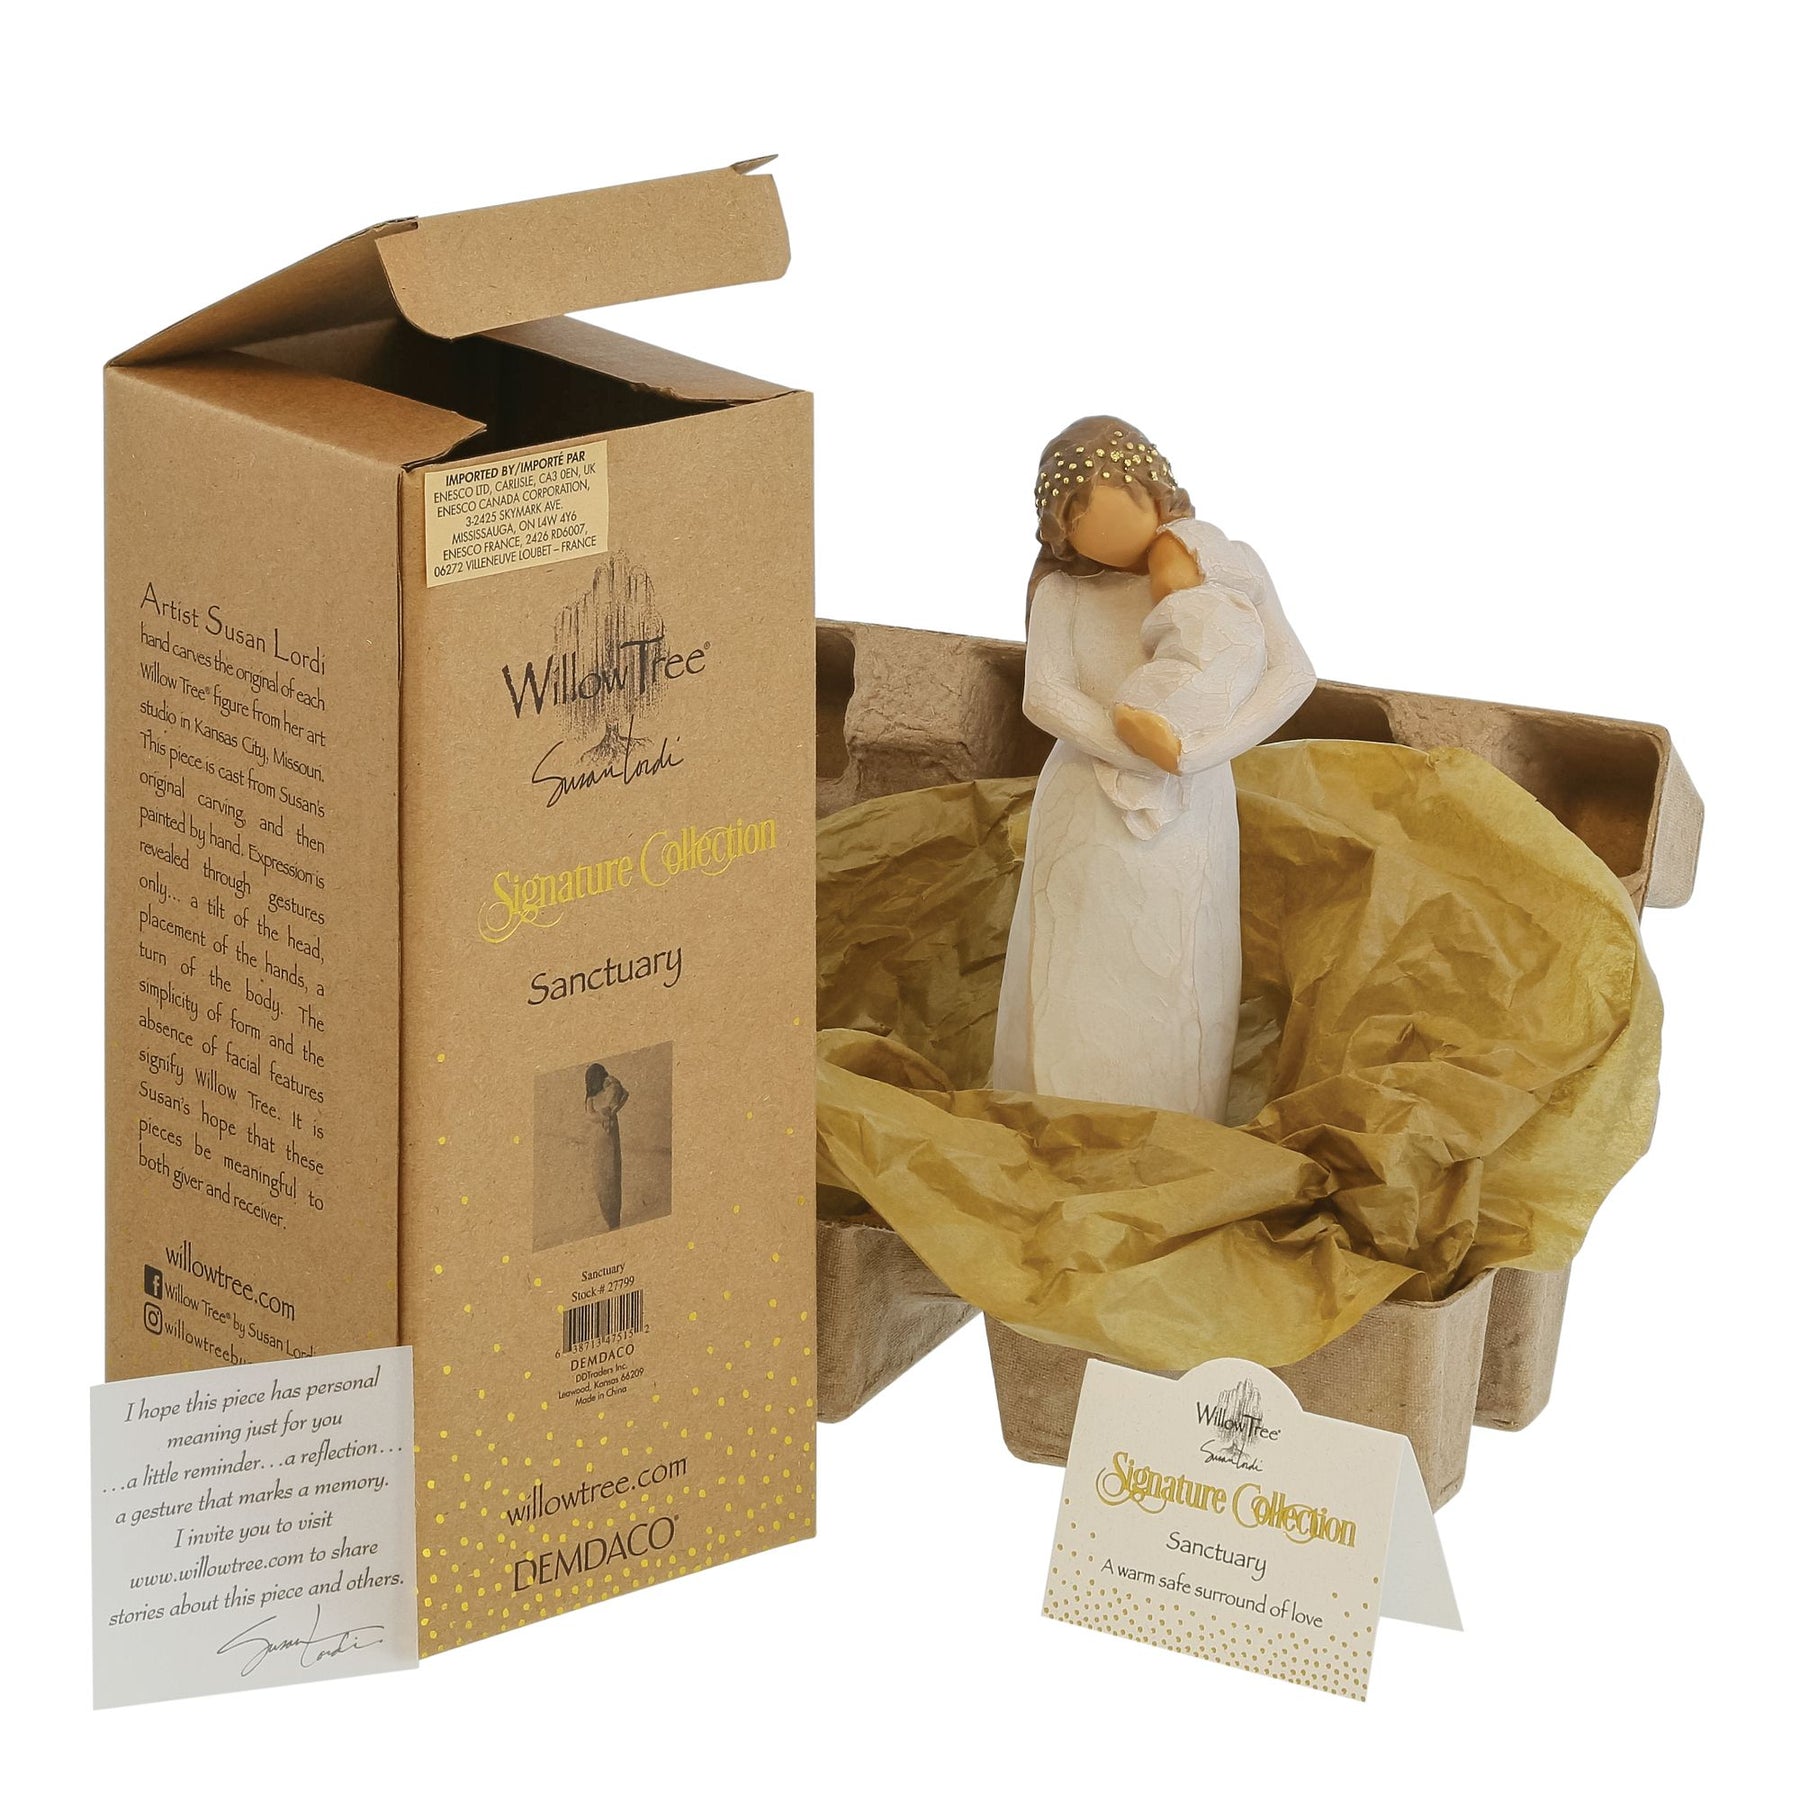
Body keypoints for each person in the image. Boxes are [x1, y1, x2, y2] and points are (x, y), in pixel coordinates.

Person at [989, 417, 1316, 1120]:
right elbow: (1044, 696)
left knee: (1181, 958)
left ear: (1156, 491)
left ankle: (1175, 1117)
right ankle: (1048, 1113)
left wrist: (1201, 752)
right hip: (1086, 802)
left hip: (1192, 803)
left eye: (1122, 506)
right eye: (1081, 523)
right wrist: (1134, 748)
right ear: (1061, 533)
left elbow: (1292, 674)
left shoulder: (1225, 568)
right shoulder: (1063, 596)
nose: (1105, 533)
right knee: (1074, 957)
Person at [583, 1061, 630, 1230]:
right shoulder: (592, 1097)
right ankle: (611, 1218)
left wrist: (609, 1112)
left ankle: (613, 1219)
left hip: (607, 1139)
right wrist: (606, 1115)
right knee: (603, 1179)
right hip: (599, 1140)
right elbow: (590, 1115)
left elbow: (624, 1094)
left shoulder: (611, 1089)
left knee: (611, 1176)